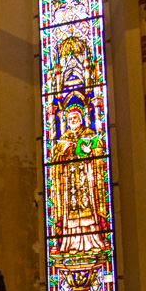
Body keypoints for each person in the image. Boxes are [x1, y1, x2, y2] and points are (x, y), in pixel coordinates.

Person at [51, 105, 106, 253]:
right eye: (69, 119)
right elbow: (55, 158)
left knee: (88, 208)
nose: (72, 121)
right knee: (71, 210)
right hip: (70, 180)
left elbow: (98, 149)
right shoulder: (64, 137)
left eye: (74, 118)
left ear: (81, 119)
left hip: (86, 178)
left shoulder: (88, 133)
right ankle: (72, 244)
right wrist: (63, 151)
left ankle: (93, 240)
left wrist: (90, 152)